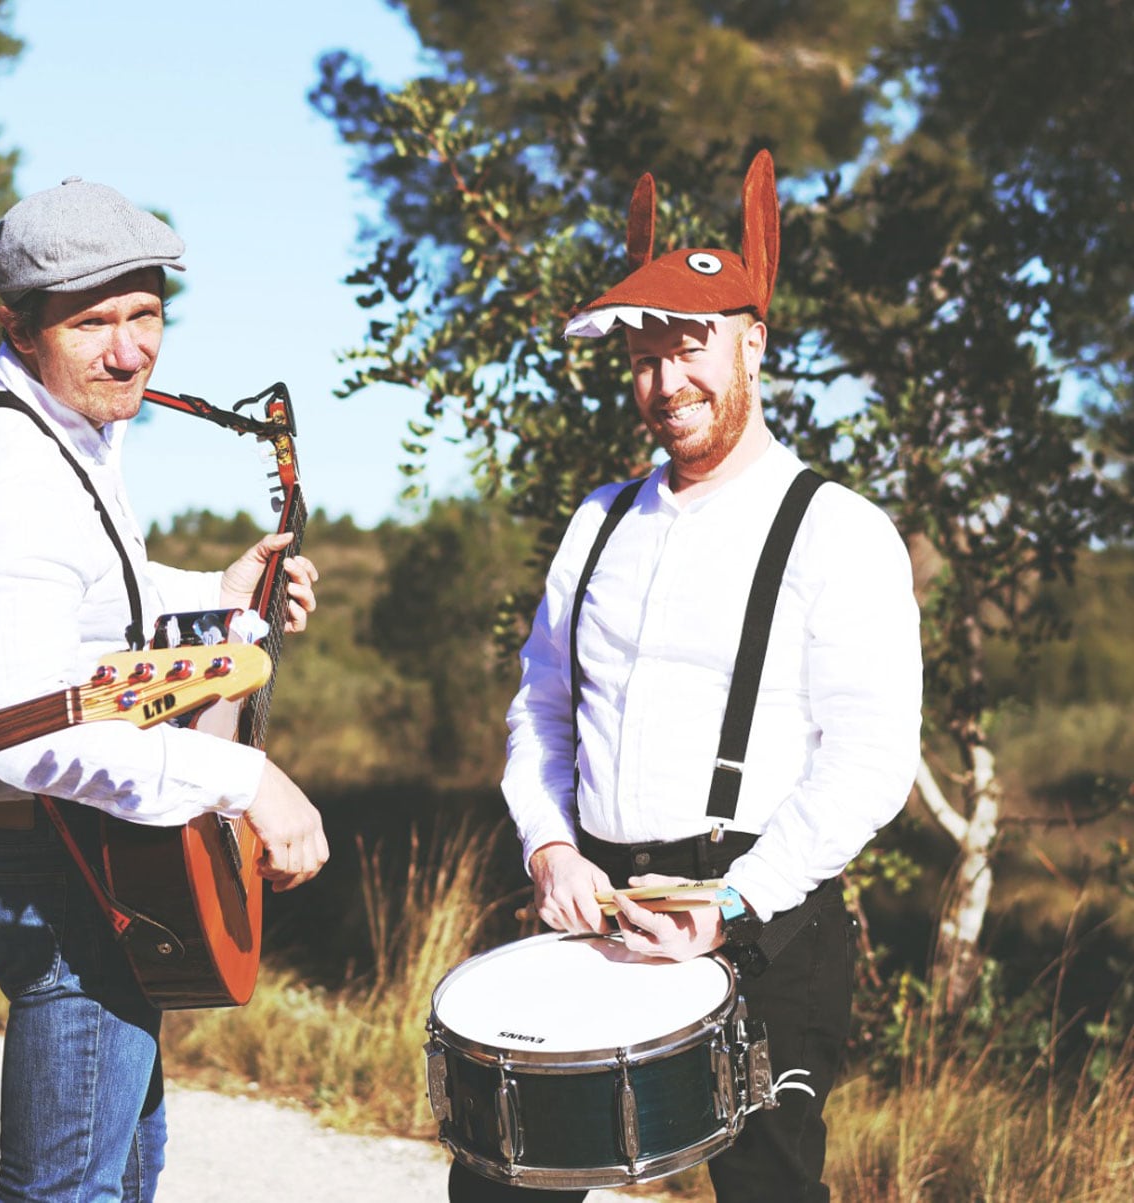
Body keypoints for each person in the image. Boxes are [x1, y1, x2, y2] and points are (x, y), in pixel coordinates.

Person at [450, 152, 922, 1202]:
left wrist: (734, 902)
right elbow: (541, 709)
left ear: (754, 340)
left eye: (692, 348)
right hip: (594, 911)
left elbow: (872, 759)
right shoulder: (598, 520)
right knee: (501, 1180)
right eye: (647, 357)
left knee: (769, 1190)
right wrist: (550, 845)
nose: (668, 383)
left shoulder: (837, 532)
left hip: (765, 923)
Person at [0, 177, 331, 1203]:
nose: (130, 351)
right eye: (93, 322)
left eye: (146, 316)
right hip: (60, 860)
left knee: (122, 1171)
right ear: (17, 324)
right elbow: (23, 730)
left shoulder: (58, 421)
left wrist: (213, 591)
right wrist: (242, 780)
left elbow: (82, 596)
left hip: (86, 846)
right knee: (74, 1193)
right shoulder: (14, 465)